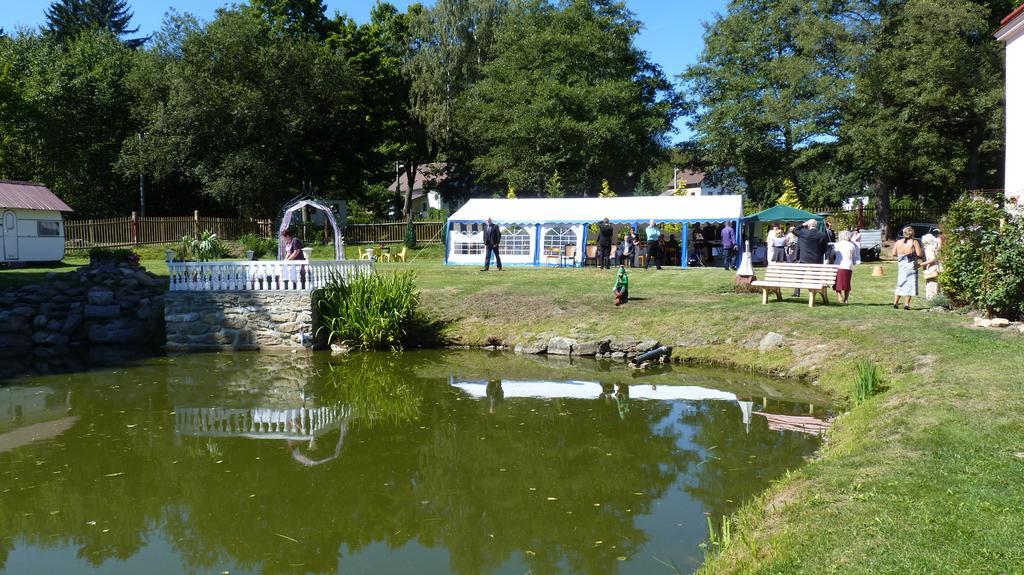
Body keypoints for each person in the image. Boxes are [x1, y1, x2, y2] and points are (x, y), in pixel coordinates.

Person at [794, 219, 829, 296]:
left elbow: (794, 230)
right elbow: (825, 249)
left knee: (799, 275)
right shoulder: (822, 235)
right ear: (817, 226)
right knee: (815, 276)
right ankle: (814, 292)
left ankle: (797, 292)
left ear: (808, 225)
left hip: (804, 258)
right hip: (816, 259)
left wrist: (803, 224)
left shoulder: (803, 232)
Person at [892, 225, 924, 309]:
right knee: (910, 283)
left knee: (901, 282)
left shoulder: (898, 242)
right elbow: (919, 254)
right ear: (912, 233)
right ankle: (906, 304)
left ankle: (896, 302)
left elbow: (894, 253)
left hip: (901, 264)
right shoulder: (914, 242)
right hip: (911, 263)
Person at [832, 230, 857, 303]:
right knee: (847, 283)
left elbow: (833, 254)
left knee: (838, 283)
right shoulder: (852, 245)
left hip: (839, 265)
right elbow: (854, 255)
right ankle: (846, 299)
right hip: (848, 266)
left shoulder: (837, 244)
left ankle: (839, 297)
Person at [921, 227, 942, 300]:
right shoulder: (934, 245)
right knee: (935, 283)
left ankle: (931, 298)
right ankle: (934, 297)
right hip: (937, 265)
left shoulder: (929, 248)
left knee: (931, 283)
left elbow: (932, 259)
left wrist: (921, 265)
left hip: (932, 267)